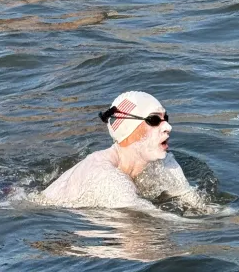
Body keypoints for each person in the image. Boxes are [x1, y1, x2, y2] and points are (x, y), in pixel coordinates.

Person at [39, 90, 205, 214]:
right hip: (47, 214)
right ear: (127, 130)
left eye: (165, 118)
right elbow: (153, 216)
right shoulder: (106, 176)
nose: (168, 127)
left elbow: (195, 202)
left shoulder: (164, 162)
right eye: (154, 120)